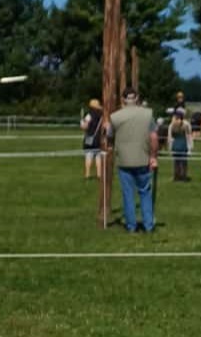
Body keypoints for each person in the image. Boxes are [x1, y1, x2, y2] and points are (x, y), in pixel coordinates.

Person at [107, 88, 159, 233]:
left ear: (123, 99)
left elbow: (109, 136)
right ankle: (148, 225)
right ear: (137, 98)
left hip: (124, 161)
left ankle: (131, 226)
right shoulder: (148, 114)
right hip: (143, 159)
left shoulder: (115, 117)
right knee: (145, 192)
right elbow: (154, 137)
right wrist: (153, 157)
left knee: (128, 194)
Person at [80, 98, 104, 179]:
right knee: (98, 157)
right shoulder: (102, 116)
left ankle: (87, 174)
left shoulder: (89, 115)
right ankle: (99, 174)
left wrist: (82, 123)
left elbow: (85, 127)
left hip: (90, 138)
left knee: (88, 156)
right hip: (99, 138)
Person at [169, 109, 192, 181]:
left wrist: (171, 147)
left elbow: (171, 137)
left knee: (176, 162)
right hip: (182, 145)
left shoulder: (172, 125)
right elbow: (188, 136)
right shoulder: (185, 125)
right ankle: (183, 176)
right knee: (183, 162)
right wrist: (190, 147)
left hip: (176, 145)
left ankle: (177, 176)